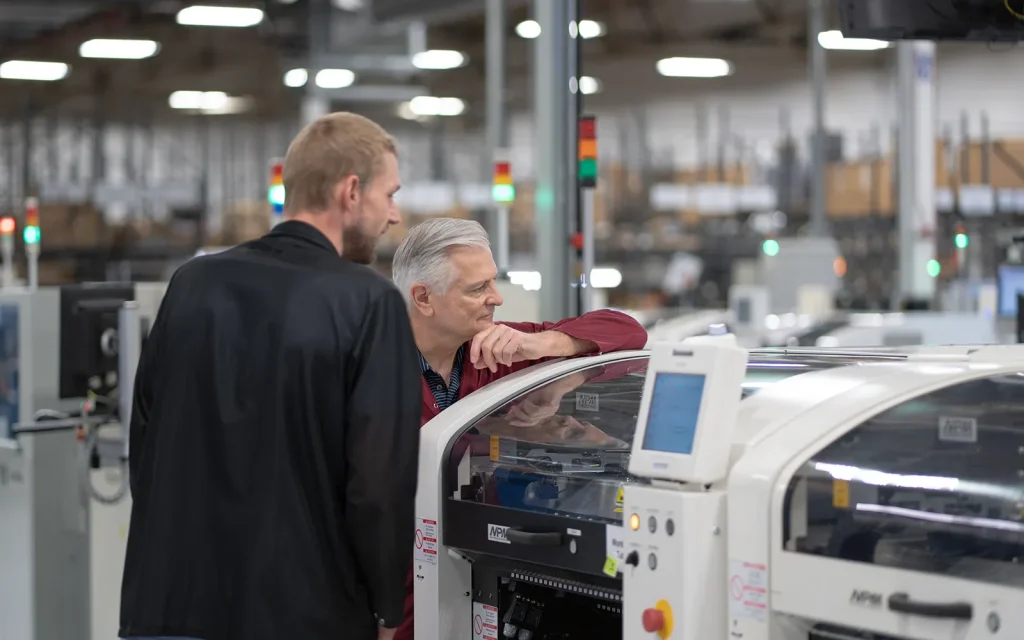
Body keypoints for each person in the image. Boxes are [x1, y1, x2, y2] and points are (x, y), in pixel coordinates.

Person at [119, 112, 421, 640]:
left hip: (166, 606)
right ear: (351, 191)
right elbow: (377, 487)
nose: (394, 215)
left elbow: (144, 446)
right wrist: (385, 609)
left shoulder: (192, 284)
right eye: (389, 194)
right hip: (303, 615)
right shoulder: (369, 302)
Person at [389, 217, 648, 640]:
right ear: (423, 298)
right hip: (388, 596)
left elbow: (626, 330)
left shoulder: (495, 351)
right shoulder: (366, 369)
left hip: (471, 577)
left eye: (493, 282)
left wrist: (548, 351)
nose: (496, 298)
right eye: (478, 288)